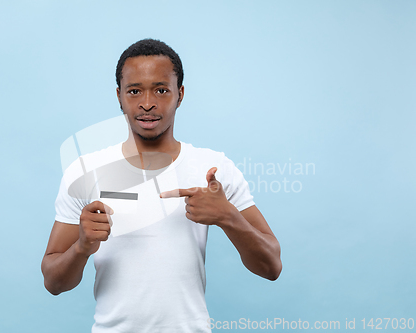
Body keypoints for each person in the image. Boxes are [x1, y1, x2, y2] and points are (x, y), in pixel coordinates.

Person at [41, 38, 282, 332]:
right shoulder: (85, 171)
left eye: (161, 90)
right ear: (119, 96)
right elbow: (53, 282)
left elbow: (271, 267)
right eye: (134, 91)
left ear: (180, 94)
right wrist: (81, 246)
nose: (147, 103)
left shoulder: (213, 168)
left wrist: (228, 217)